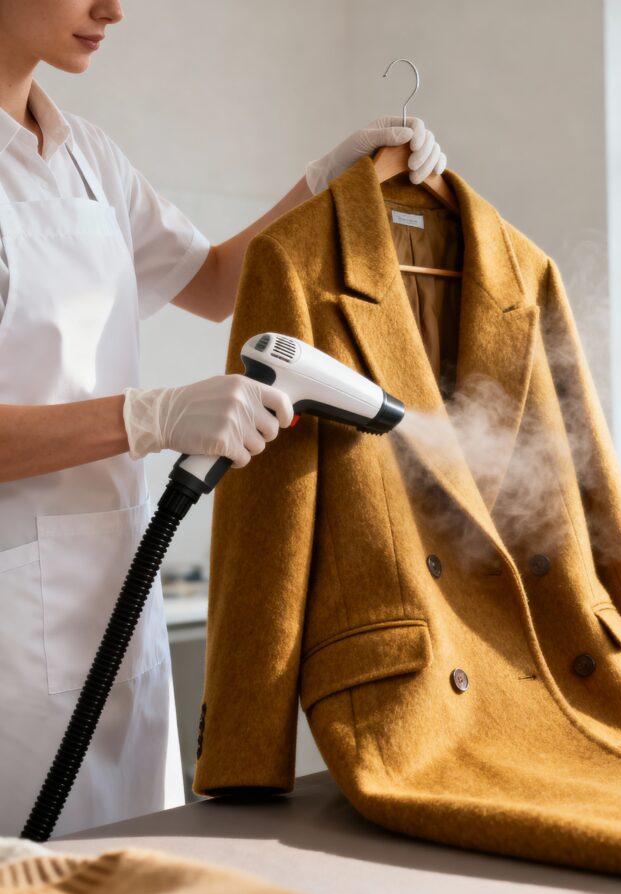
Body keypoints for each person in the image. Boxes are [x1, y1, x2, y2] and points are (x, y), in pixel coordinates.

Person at [0, 0, 447, 837]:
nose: (115, 9)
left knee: (138, 891)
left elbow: (211, 284)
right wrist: (153, 415)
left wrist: (325, 180)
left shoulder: (87, 156)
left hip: (116, 602)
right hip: (11, 634)